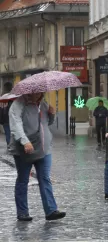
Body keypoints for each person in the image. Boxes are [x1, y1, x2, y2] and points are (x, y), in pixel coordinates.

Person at [9, 93, 66, 221]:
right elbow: (15, 124)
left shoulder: (43, 104)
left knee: (44, 178)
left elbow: (48, 123)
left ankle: (51, 210)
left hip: (44, 148)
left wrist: (52, 114)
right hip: (24, 148)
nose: (39, 94)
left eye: (41, 92)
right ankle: (22, 212)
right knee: (23, 180)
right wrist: (24, 141)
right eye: (37, 92)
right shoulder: (19, 104)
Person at [0, 82, 13, 149]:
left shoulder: (2, 97)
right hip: (10, 118)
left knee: (7, 133)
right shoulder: (11, 97)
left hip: (4, 119)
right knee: (13, 133)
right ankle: (12, 146)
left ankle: (9, 146)